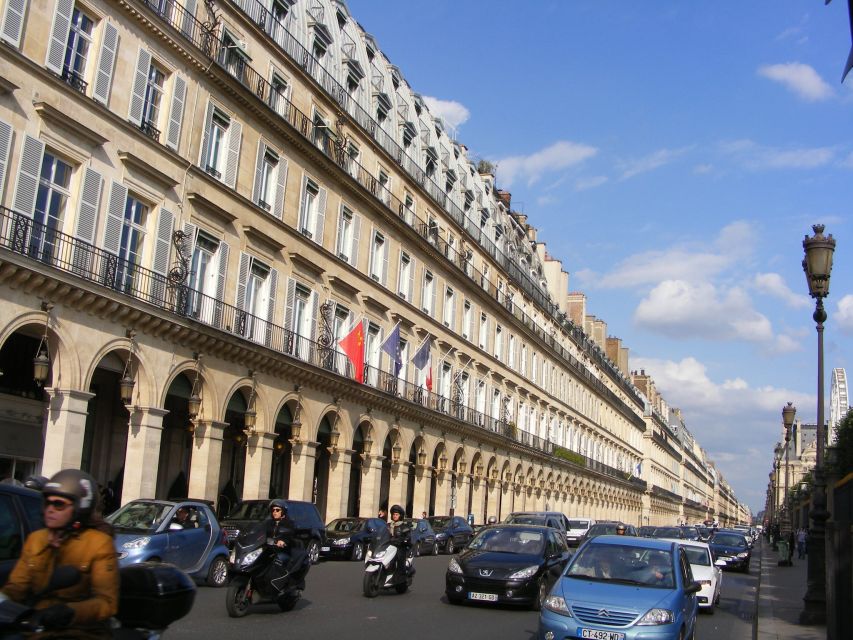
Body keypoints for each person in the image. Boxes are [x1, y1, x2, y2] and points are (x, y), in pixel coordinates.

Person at [1, 469, 119, 638]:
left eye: (59, 504)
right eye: (47, 503)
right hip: (35, 628)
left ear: (80, 508)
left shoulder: (99, 543)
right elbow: (17, 587)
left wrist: (70, 612)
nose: (50, 509)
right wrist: (4, 600)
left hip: (80, 632)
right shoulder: (36, 540)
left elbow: (107, 603)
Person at [266, 499, 296, 577]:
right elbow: (259, 532)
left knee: (278, 561)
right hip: (268, 550)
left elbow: (290, 535)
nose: (274, 512)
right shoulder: (268, 523)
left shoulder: (288, 523)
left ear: (283, 511)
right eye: (273, 510)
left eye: (277, 510)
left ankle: (280, 581)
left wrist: (283, 541)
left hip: (282, 551)